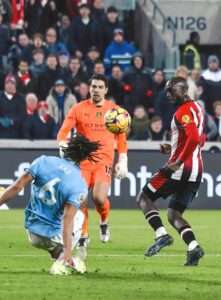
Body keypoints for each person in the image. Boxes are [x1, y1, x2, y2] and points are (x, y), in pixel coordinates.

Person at [0, 134, 101, 275]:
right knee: (80, 215)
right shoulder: (79, 184)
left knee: (63, 223)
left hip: (31, 231)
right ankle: (61, 261)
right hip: (51, 235)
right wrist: (67, 250)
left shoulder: (43, 161)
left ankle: (59, 254)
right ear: (83, 158)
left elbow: (17, 187)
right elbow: (68, 218)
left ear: (67, 149)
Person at [137, 77, 205, 266]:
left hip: (180, 168)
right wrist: (172, 148)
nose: (168, 95)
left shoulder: (182, 112)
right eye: (167, 91)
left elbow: (192, 138)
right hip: (197, 170)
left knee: (144, 197)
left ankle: (162, 235)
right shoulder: (198, 108)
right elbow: (201, 139)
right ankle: (193, 247)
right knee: (173, 214)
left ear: (184, 90)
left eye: (171, 91)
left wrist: (178, 160)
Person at [57, 74, 128, 245]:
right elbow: (63, 131)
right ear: (89, 89)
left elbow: (121, 137)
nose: (96, 90)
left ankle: (104, 222)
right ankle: (84, 233)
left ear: (106, 90)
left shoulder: (114, 111)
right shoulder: (78, 108)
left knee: (99, 198)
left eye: (100, 87)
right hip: (82, 161)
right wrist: (62, 145)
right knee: (80, 198)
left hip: (104, 161)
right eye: (93, 87)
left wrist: (123, 160)